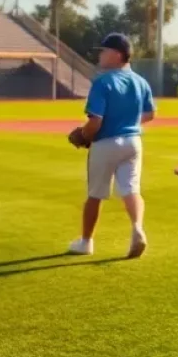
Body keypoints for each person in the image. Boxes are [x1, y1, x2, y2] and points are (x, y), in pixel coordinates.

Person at [67, 33, 155, 259]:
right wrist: (126, 122)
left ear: (117, 55)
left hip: (106, 143)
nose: (100, 54)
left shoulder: (103, 82)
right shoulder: (140, 81)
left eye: (104, 50)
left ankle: (86, 242)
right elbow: (150, 114)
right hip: (133, 143)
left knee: (95, 194)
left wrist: (84, 135)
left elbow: (95, 121)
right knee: (131, 189)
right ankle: (137, 229)